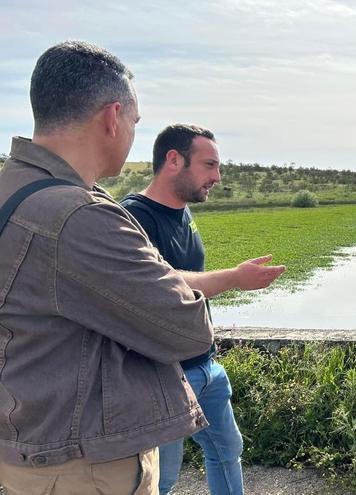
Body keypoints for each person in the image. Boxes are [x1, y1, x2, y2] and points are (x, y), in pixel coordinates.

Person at [0, 41, 213, 494]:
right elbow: (187, 328)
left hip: (28, 440)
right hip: (85, 465)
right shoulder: (78, 216)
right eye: (135, 122)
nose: (133, 132)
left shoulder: (11, 189)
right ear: (112, 117)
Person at [121, 124, 285, 495]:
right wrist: (235, 278)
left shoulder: (183, 211)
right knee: (159, 479)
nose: (217, 176)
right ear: (174, 160)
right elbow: (161, 282)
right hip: (165, 374)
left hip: (206, 365)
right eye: (209, 165)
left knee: (228, 451)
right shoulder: (135, 217)